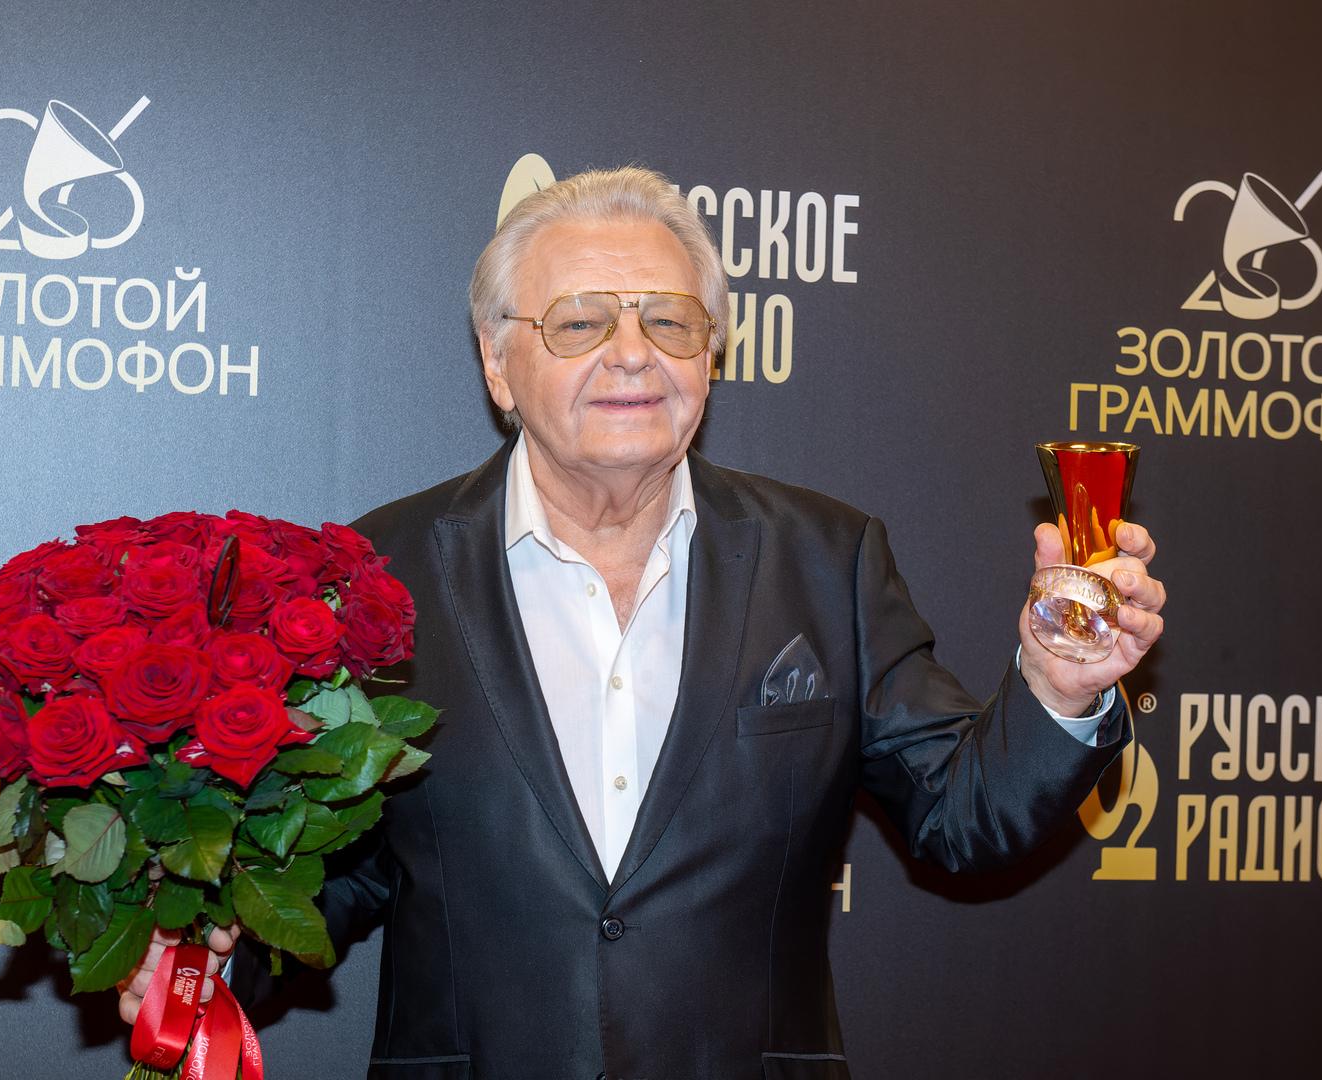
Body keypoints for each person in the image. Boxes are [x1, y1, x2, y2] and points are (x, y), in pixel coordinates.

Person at [120, 166, 1165, 1079]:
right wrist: (201, 951)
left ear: (710, 355)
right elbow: (335, 868)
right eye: (580, 322)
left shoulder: (828, 557)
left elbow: (963, 815)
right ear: (497, 362)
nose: (633, 354)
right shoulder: (374, 575)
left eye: (670, 321)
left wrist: (1059, 688)